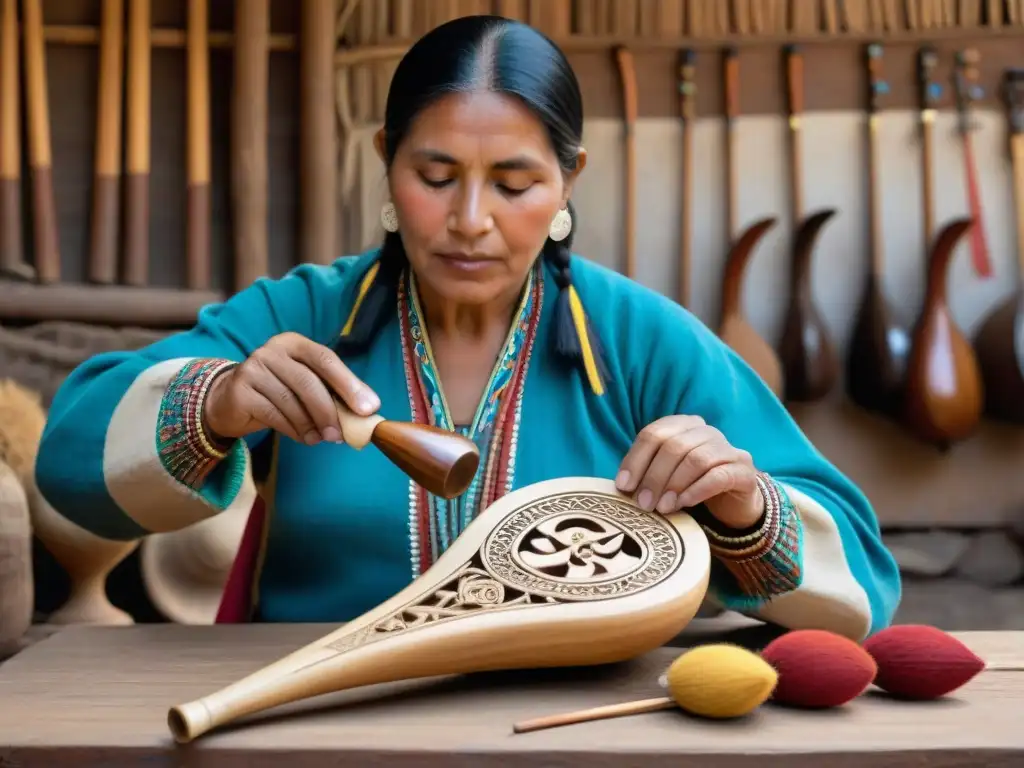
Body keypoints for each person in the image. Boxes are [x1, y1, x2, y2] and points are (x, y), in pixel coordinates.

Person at [34, 15, 899, 639]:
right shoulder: (303, 317)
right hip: (311, 727)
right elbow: (71, 468)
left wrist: (744, 507)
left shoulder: (641, 342)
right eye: (436, 174)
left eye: (514, 183)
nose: (470, 219)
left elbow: (864, 584)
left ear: (568, 183)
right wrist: (218, 404)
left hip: (580, 734)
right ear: (387, 160)